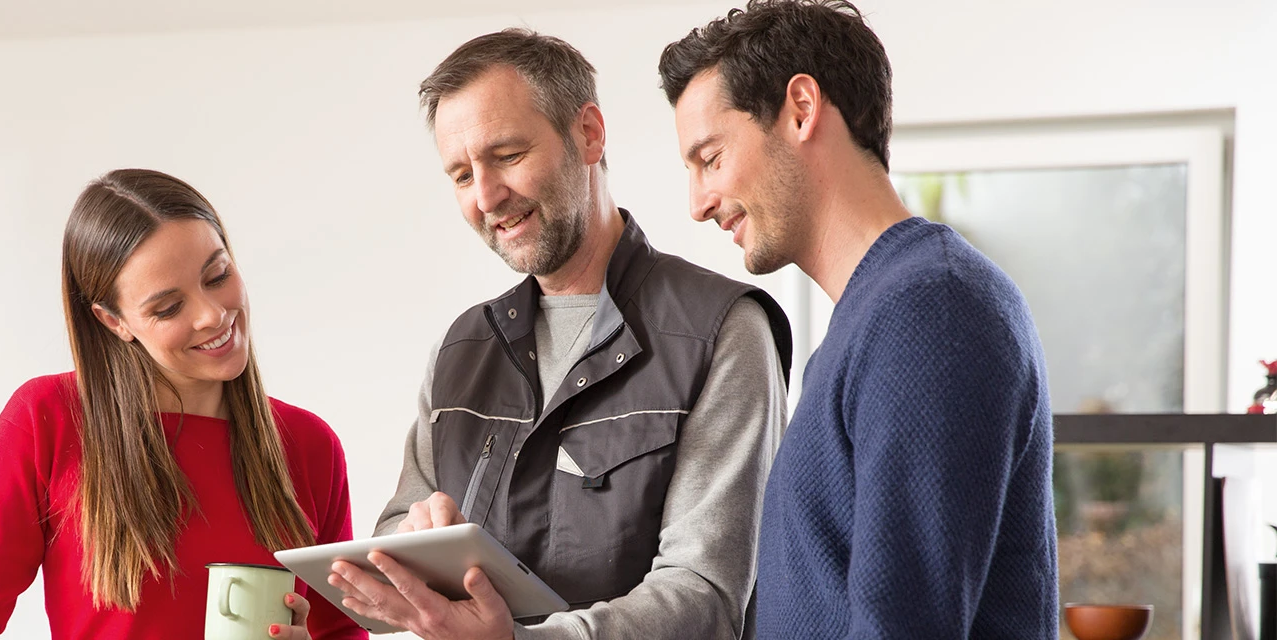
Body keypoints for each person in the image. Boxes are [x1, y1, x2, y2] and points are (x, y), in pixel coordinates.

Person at [328, 29, 794, 640]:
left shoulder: (721, 329)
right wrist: (415, 546)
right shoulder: (460, 351)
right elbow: (393, 534)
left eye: (508, 155)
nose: (487, 197)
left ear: (589, 133)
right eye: (462, 175)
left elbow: (704, 596)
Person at [658, 2, 1060, 637]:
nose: (698, 204)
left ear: (800, 109)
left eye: (710, 158)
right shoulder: (873, 322)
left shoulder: (931, 310)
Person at [0, 169, 365, 640]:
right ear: (113, 320)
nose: (212, 315)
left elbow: (343, 631)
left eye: (217, 275)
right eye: (168, 308)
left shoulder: (310, 445)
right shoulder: (49, 418)